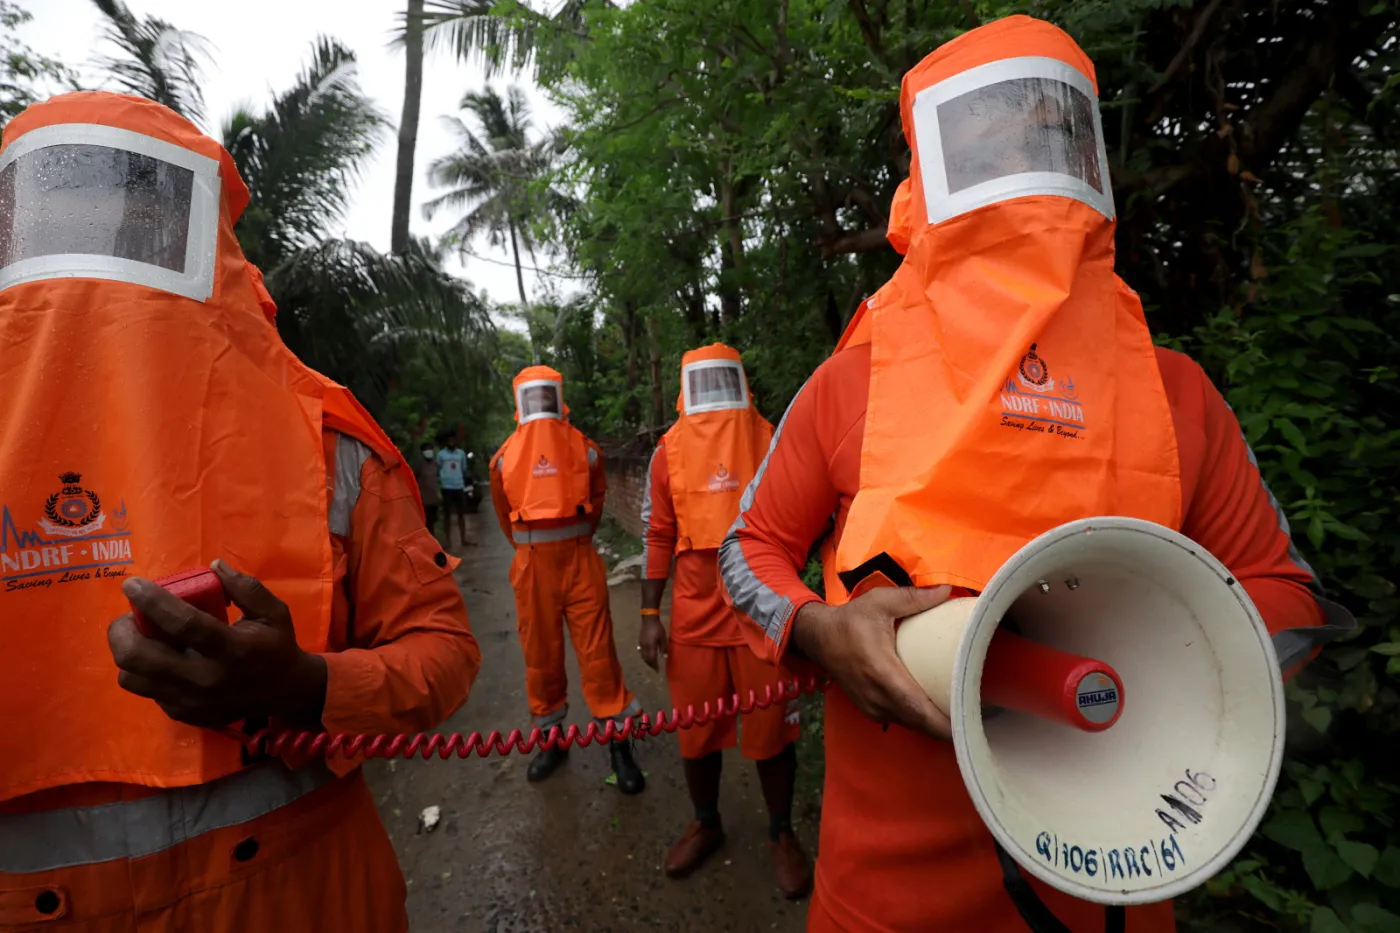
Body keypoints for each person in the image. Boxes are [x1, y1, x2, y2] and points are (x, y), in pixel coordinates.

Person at [718, 16, 1353, 933]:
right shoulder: (856, 382)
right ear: (931, 174)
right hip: (886, 895)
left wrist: (1167, 657)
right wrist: (819, 631)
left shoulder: (1175, 393)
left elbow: (1285, 592)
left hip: (1112, 871)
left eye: (1046, 129)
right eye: (989, 136)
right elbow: (751, 547)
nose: (1023, 155)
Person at [0, 91, 482, 932]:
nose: (104, 248)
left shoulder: (324, 438)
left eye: (134, 218)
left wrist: (307, 685)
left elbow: (443, 650)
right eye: (66, 217)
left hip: (310, 893)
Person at [639, 344, 813, 899]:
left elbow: (806, 514)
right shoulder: (667, 452)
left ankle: (782, 833)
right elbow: (657, 532)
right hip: (693, 617)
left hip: (760, 609)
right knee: (695, 731)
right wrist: (649, 613)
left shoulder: (772, 437)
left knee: (773, 733)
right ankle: (706, 821)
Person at [489, 365, 645, 792]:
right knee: (540, 656)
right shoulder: (504, 459)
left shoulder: (584, 450)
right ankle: (551, 739)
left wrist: (561, 543)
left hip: (577, 562)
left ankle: (618, 743)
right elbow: (508, 520)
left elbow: (594, 503)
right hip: (535, 565)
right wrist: (536, 548)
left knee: (599, 655)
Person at [437, 436, 470, 547]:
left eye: (453, 440)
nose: (451, 442)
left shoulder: (461, 454)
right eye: (449, 440)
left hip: (458, 486)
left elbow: (464, 468)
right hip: (446, 487)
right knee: (447, 515)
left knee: (461, 514)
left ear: (456, 441)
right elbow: (438, 469)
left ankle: (463, 539)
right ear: (446, 442)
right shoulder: (441, 455)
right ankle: (448, 541)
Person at [415, 440, 443, 536]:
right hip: (423, 498)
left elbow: (439, 479)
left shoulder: (436, 464)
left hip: (434, 498)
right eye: (426, 449)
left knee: (433, 521)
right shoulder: (419, 465)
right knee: (427, 522)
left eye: (430, 449)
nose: (428, 451)